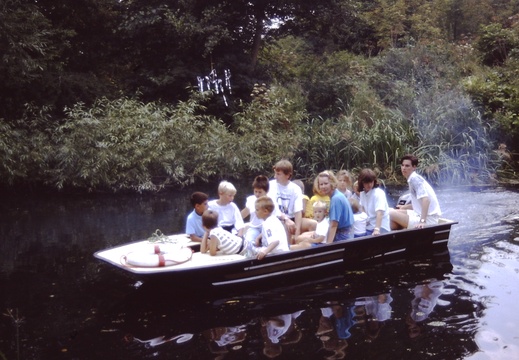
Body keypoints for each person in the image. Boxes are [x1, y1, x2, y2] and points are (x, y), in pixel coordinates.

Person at [389, 154, 442, 230]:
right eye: (402, 165)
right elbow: (419, 203)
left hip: (429, 219)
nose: (404, 168)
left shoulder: (415, 179)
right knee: (391, 211)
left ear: (414, 167)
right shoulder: (412, 178)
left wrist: (422, 221)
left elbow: (426, 200)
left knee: (389, 213)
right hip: (418, 214)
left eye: (407, 166)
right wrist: (404, 207)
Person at [267, 159, 303, 240]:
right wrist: (286, 219)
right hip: (277, 218)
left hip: (291, 218)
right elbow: (273, 207)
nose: (275, 176)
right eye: (275, 173)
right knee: (286, 228)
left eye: (278, 174)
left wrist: (297, 232)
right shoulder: (271, 185)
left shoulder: (296, 189)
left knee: (313, 224)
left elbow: (298, 212)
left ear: (288, 175)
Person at [316, 171, 354, 243]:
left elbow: (333, 225)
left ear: (332, 183)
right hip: (346, 233)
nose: (323, 186)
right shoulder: (336, 195)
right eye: (321, 184)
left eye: (326, 183)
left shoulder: (336, 199)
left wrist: (328, 246)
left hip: (343, 236)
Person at [253, 196, 290, 260]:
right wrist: (259, 237)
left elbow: (275, 241)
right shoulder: (274, 219)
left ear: (265, 211)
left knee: (250, 250)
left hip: (276, 256)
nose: (255, 212)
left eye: (257, 210)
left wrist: (264, 252)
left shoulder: (267, 223)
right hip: (284, 253)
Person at [357, 168, 390, 235]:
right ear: (362, 182)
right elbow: (362, 209)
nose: (369, 184)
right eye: (366, 182)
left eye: (371, 182)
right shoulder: (362, 193)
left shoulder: (378, 193)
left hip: (381, 226)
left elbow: (380, 213)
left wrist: (376, 229)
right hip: (368, 226)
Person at [241, 175, 270, 247]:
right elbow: (244, 213)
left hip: (267, 228)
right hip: (254, 227)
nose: (257, 194)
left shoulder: (270, 202)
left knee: (267, 243)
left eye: (260, 192)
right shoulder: (251, 200)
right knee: (248, 243)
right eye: (255, 191)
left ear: (266, 191)